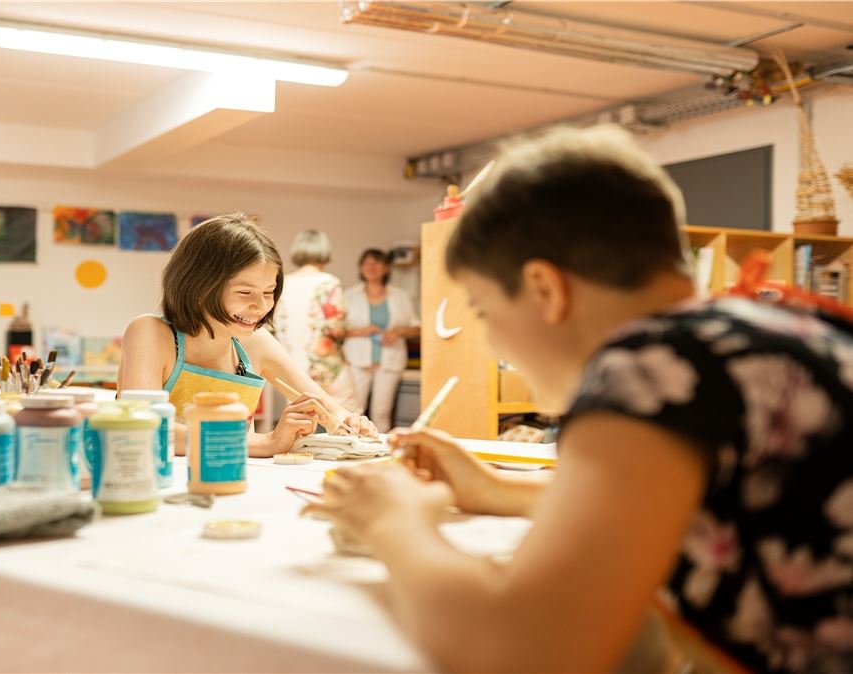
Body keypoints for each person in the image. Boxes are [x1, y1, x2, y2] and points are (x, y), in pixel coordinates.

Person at [308, 126, 853, 672]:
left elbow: (520, 652)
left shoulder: (650, 365)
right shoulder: (776, 330)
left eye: (483, 310)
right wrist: (497, 490)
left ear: (545, 289)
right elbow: (680, 502)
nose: (492, 339)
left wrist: (393, 522)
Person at [117, 214, 377, 458]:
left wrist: (349, 422)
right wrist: (267, 442)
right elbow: (146, 427)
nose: (262, 306)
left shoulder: (254, 341)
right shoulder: (151, 334)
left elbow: (329, 410)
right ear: (198, 286)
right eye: (245, 293)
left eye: (269, 292)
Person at [274, 230, 360, 414]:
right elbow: (338, 328)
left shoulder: (283, 284)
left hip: (292, 366)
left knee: (298, 420)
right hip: (328, 366)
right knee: (348, 413)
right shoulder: (329, 283)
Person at [344, 249, 420, 432]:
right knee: (354, 411)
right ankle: (350, 447)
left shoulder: (400, 296)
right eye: (367, 263)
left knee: (381, 412)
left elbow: (417, 326)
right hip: (357, 360)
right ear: (361, 269)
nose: (371, 267)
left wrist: (398, 332)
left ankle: (383, 451)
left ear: (386, 268)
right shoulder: (349, 295)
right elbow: (336, 329)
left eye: (377, 262)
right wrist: (362, 331)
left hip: (390, 361)